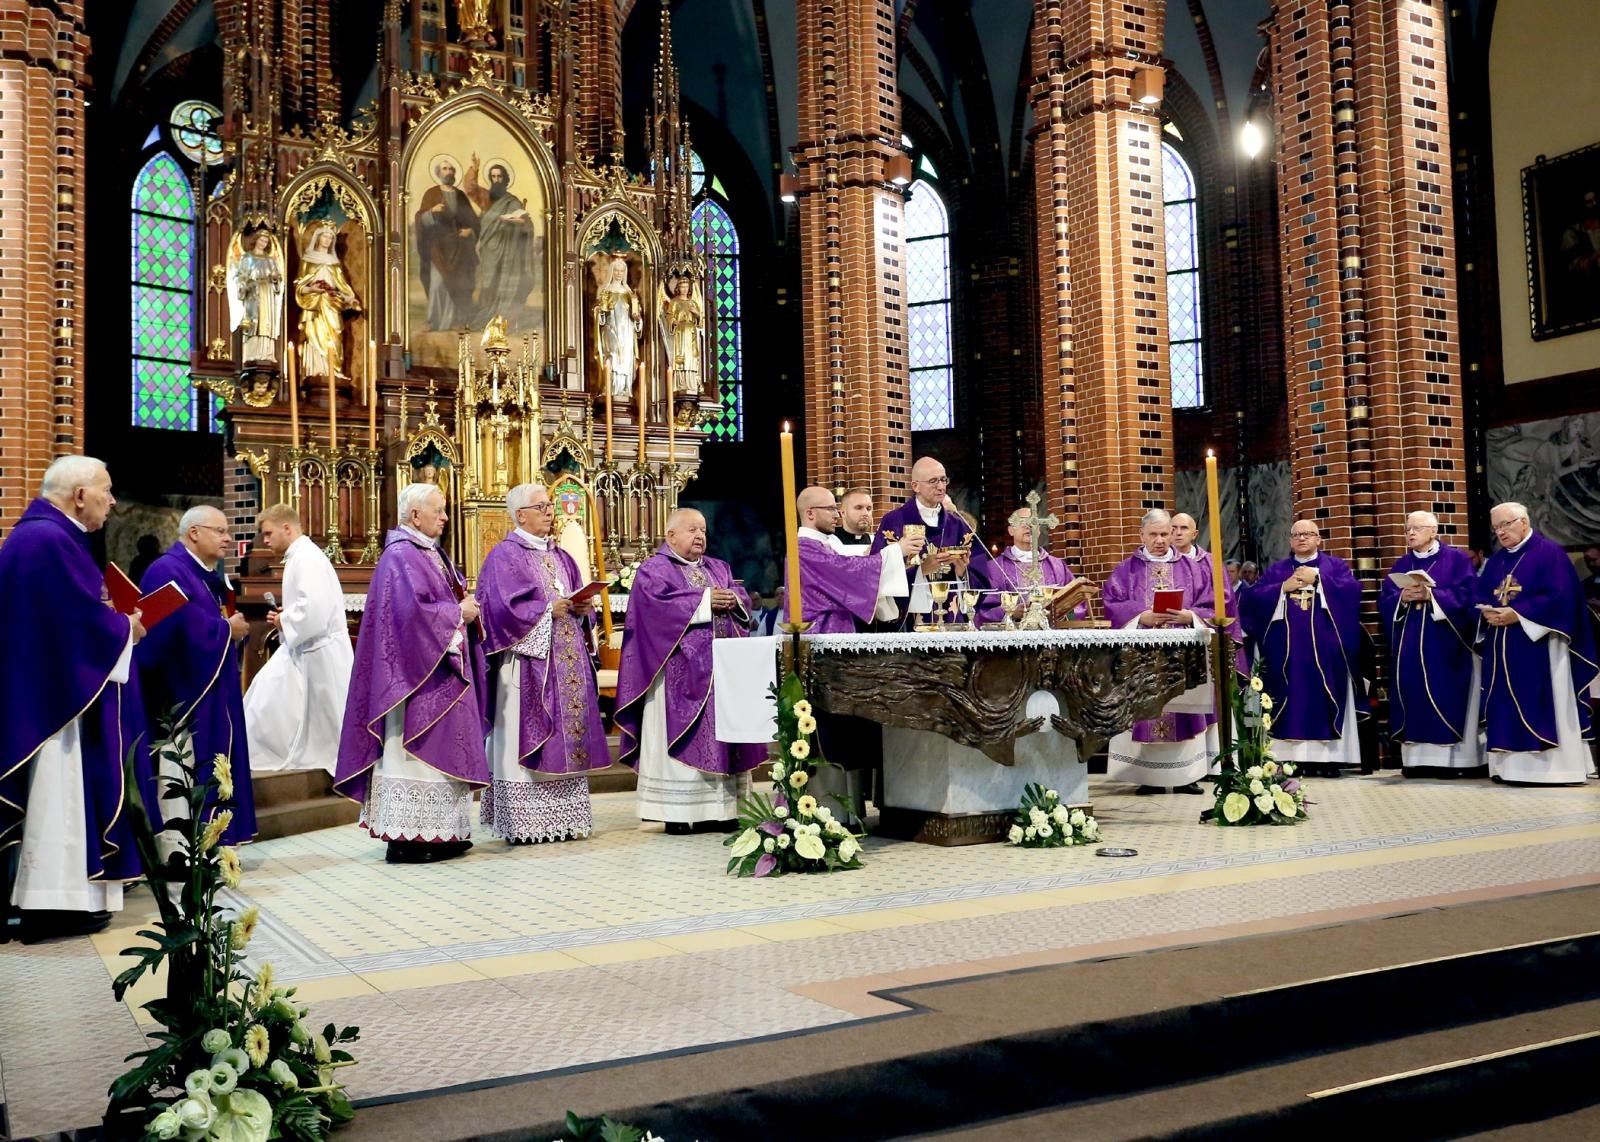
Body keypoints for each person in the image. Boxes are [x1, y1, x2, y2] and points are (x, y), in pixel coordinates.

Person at [0, 458, 145, 941]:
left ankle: (51, 903)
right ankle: (51, 907)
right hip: (48, 705)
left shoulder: (41, 536)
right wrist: (126, 627)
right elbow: (77, 624)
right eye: (106, 491)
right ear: (80, 495)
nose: (112, 501)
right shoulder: (49, 540)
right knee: (55, 795)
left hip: (44, 690)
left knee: (56, 795)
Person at [335, 484, 490, 863]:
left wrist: (464, 609)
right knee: (415, 753)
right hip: (414, 680)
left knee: (443, 749)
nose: (445, 518)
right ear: (415, 515)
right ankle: (410, 837)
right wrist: (458, 614)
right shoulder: (400, 556)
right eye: (438, 511)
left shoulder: (429, 552)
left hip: (438, 669)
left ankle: (442, 831)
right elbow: (409, 616)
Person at [615, 509, 767, 833]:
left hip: (721, 672)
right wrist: (704, 601)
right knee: (682, 740)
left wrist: (733, 599)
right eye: (691, 530)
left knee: (724, 737)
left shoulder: (717, 567)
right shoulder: (653, 570)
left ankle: (722, 811)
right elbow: (654, 610)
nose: (700, 536)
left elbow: (739, 597)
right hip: (677, 674)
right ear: (670, 536)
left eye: (703, 530)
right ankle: (679, 813)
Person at [475, 483, 610, 844]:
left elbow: (581, 605)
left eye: (549, 506)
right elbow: (497, 609)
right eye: (542, 506)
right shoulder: (504, 557)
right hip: (526, 664)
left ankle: (565, 819)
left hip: (567, 662)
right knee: (524, 731)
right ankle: (524, 824)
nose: (551, 512)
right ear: (521, 515)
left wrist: (583, 611)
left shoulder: (563, 557)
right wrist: (547, 611)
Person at [136, 506, 256, 843]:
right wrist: (224, 629)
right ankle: (185, 844)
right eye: (219, 531)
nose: (228, 539)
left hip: (213, 684)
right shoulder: (167, 570)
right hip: (185, 694)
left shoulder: (204, 574)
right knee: (191, 763)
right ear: (193, 533)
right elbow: (170, 628)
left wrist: (229, 629)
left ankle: (217, 836)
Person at [1476, 502, 1598, 785]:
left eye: (1505, 525)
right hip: (1502, 644)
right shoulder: (1497, 560)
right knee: (1503, 702)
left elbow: (1561, 598)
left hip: (1540, 643)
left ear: (1523, 521)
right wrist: (1487, 613)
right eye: (1496, 528)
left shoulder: (1550, 553)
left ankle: (1553, 770)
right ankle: (1509, 768)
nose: (1501, 533)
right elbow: (1482, 594)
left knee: (1540, 699)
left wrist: (1517, 614)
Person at [1102, 509, 1214, 794]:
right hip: (1141, 657)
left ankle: (1186, 775)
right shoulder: (1126, 570)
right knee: (1144, 710)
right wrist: (1141, 617)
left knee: (1183, 708)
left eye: (1165, 534)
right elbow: (1112, 603)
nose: (1161, 540)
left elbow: (1211, 603)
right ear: (1142, 535)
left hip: (1181, 654)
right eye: (1154, 534)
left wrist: (1190, 616)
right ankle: (1147, 776)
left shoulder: (1192, 568)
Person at [1240, 520, 1362, 777]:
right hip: (1288, 654)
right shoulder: (1278, 570)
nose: (1302, 539)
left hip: (1326, 652)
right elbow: (1253, 601)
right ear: (1290, 541)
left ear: (1319, 539)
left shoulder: (1334, 566)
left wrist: (1319, 579)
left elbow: (1352, 593)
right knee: (1290, 696)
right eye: (1296, 534)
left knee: (1324, 696)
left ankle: (1329, 760)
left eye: (1308, 534)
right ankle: (1291, 759)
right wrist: (1282, 588)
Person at [242, 505, 351, 774]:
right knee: (263, 698)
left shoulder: (305, 558)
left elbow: (315, 609)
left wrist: (284, 620)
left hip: (319, 651)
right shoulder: (302, 556)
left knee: (267, 701)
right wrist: (289, 617)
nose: (265, 541)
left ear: (287, 528)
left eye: (268, 534)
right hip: (310, 646)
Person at [1379, 512, 1481, 776]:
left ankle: (1452, 763)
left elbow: (1469, 597)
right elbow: (1385, 601)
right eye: (1407, 529)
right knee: (1413, 695)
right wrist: (1402, 598)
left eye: (1417, 528)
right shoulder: (1402, 563)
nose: (1410, 533)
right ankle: (1416, 761)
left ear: (1434, 531)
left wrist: (1433, 596)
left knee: (1445, 693)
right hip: (1410, 644)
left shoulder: (1456, 559)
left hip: (1445, 644)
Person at [870, 457, 993, 626]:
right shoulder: (894, 522)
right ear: (915, 486)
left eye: (943, 480)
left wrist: (962, 572)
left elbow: (981, 576)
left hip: (952, 622)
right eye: (933, 481)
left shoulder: (958, 526)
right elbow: (876, 572)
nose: (941, 486)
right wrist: (921, 571)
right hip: (910, 626)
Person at [794, 486, 914, 632]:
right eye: (830, 509)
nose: (836, 515)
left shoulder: (817, 545)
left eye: (869, 508)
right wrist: (897, 550)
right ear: (810, 513)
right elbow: (845, 570)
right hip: (820, 631)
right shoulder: (805, 548)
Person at [975, 505, 1085, 626]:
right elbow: (983, 610)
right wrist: (1011, 612)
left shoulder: (1057, 566)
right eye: (1022, 522)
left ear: (1038, 531)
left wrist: (1060, 613)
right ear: (1011, 530)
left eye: (1034, 522)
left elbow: (1077, 603)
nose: (1028, 526)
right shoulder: (995, 568)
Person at [465, 159, 536, 325]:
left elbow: (524, 221)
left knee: (503, 283)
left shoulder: (513, 201)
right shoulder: (486, 198)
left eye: (499, 176)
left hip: (507, 251)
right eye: (493, 176)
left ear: (505, 179)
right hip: (488, 250)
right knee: (488, 284)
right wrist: (474, 170)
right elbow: (470, 189)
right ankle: (487, 314)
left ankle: (502, 319)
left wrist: (508, 218)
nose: (496, 180)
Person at [415, 157, 481, 331]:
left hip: (459, 247)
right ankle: (433, 322)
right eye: (445, 169)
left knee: (459, 284)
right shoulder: (431, 194)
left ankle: (458, 321)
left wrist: (470, 231)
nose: (449, 172)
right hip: (438, 248)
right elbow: (420, 218)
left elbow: (473, 220)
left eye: (451, 169)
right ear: (438, 172)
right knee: (437, 285)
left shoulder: (460, 196)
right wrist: (431, 211)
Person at [294, 221, 361, 380]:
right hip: (314, 305)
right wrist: (312, 289)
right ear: (318, 238)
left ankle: (334, 370)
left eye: (330, 238)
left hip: (332, 305)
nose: (327, 240)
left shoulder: (335, 264)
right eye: (325, 237)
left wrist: (350, 299)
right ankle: (315, 370)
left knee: (335, 333)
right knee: (314, 335)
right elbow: (299, 286)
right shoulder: (307, 260)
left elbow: (342, 286)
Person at [227, 228, 286, 364]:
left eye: (266, 241)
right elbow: (240, 276)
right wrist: (246, 284)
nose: (263, 243)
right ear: (256, 240)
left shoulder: (270, 260)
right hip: (253, 293)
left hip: (268, 294)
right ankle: (251, 352)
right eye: (261, 240)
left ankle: (266, 352)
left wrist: (276, 279)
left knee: (267, 322)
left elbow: (277, 279)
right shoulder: (247, 257)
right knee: (254, 321)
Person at [594, 257, 642, 400]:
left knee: (626, 357)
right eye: (616, 270)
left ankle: (624, 388)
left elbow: (636, 316)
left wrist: (638, 320)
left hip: (626, 332)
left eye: (622, 271)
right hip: (610, 329)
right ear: (611, 271)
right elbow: (599, 315)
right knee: (613, 355)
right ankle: (611, 387)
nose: (619, 274)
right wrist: (601, 313)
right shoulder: (605, 291)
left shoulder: (629, 294)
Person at [658, 275, 705, 397]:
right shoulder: (674, 302)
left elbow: (701, 322)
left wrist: (697, 314)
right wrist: (673, 321)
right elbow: (668, 315)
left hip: (691, 334)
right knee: (681, 358)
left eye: (686, 287)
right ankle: (680, 383)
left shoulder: (693, 302)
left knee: (691, 358)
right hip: (680, 334)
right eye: (682, 286)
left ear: (689, 288)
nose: (684, 289)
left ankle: (691, 383)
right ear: (678, 288)